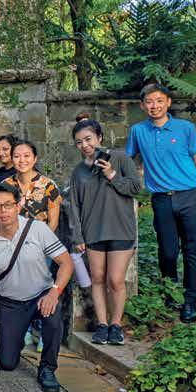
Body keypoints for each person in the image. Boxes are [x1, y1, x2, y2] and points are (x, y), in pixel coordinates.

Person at [126, 83, 196, 323]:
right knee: (167, 252)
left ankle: (190, 301)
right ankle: (171, 292)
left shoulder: (185, 128)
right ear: (142, 106)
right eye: (149, 102)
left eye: (159, 100)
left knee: (192, 250)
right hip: (161, 199)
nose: (154, 106)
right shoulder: (138, 131)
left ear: (168, 103)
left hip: (190, 195)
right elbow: (128, 161)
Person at [0, 185, 74, 392]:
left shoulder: (37, 229)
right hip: (11, 303)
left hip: (41, 296)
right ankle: (16, 337)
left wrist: (54, 291)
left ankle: (47, 368)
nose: (3, 211)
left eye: (8, 205)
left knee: (53, 315)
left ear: (18, 206)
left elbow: (66, 262)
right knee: (7, 363)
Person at [70, 119, 141, 344]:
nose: (84, 145)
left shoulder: (120, 158)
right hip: (93, 231)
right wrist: (77, 235)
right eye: (79, 142)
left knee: (116, 280)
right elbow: (74, 205)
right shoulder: (78, 172)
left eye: (88, 139)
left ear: (99, 137)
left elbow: (135, 188)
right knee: (97, 279)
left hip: (121, 229)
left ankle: (116, 325)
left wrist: (111, 174)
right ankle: (102, 324)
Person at [2, 140, 61, 232]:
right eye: (17, 156)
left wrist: (42, 240)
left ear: (35, 159)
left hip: (41, 238)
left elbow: (53, 223)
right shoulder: (4, 186)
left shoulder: (49, 186)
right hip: (12, 238)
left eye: (26, 156)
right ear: (12, 160)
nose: (22, 160)